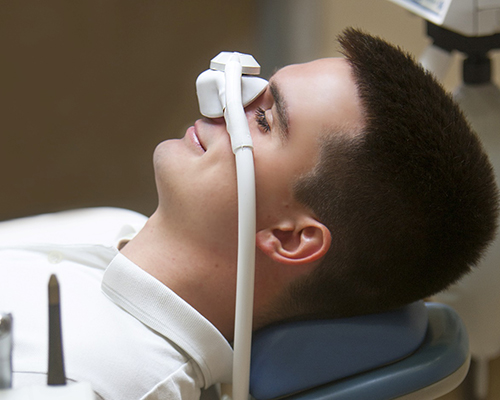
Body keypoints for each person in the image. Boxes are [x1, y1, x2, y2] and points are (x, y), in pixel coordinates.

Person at [0, 27, 498, 399]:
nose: (224, 98)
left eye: (263, 118)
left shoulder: (93, 383)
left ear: (290, 237)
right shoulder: (114, 227)